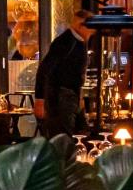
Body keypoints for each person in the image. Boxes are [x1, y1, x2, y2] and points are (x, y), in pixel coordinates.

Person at [33, 9, 93, 137]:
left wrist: (79, 97)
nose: (92, 31)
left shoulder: (80, 42)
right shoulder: (65, 42)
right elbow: (45, 69)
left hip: (72, 96)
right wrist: (40, 99)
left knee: (81, 132)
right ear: (80, 26)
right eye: (90, 27)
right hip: (61, 97)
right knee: (64, 135)